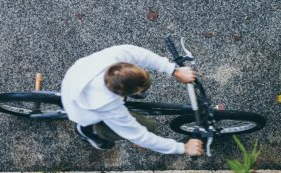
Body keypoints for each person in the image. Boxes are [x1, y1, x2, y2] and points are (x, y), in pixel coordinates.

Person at [60, 44, 204, 155]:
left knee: (146, 78)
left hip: (76, 76)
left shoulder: (116, 59)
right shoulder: (108, 105)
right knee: (148, 127)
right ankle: (89, 133)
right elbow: (140, 136)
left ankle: (136, 89)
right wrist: (182, 148)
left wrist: (173, 70)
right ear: (119, 95)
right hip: (85, 112)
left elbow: (139, 55)